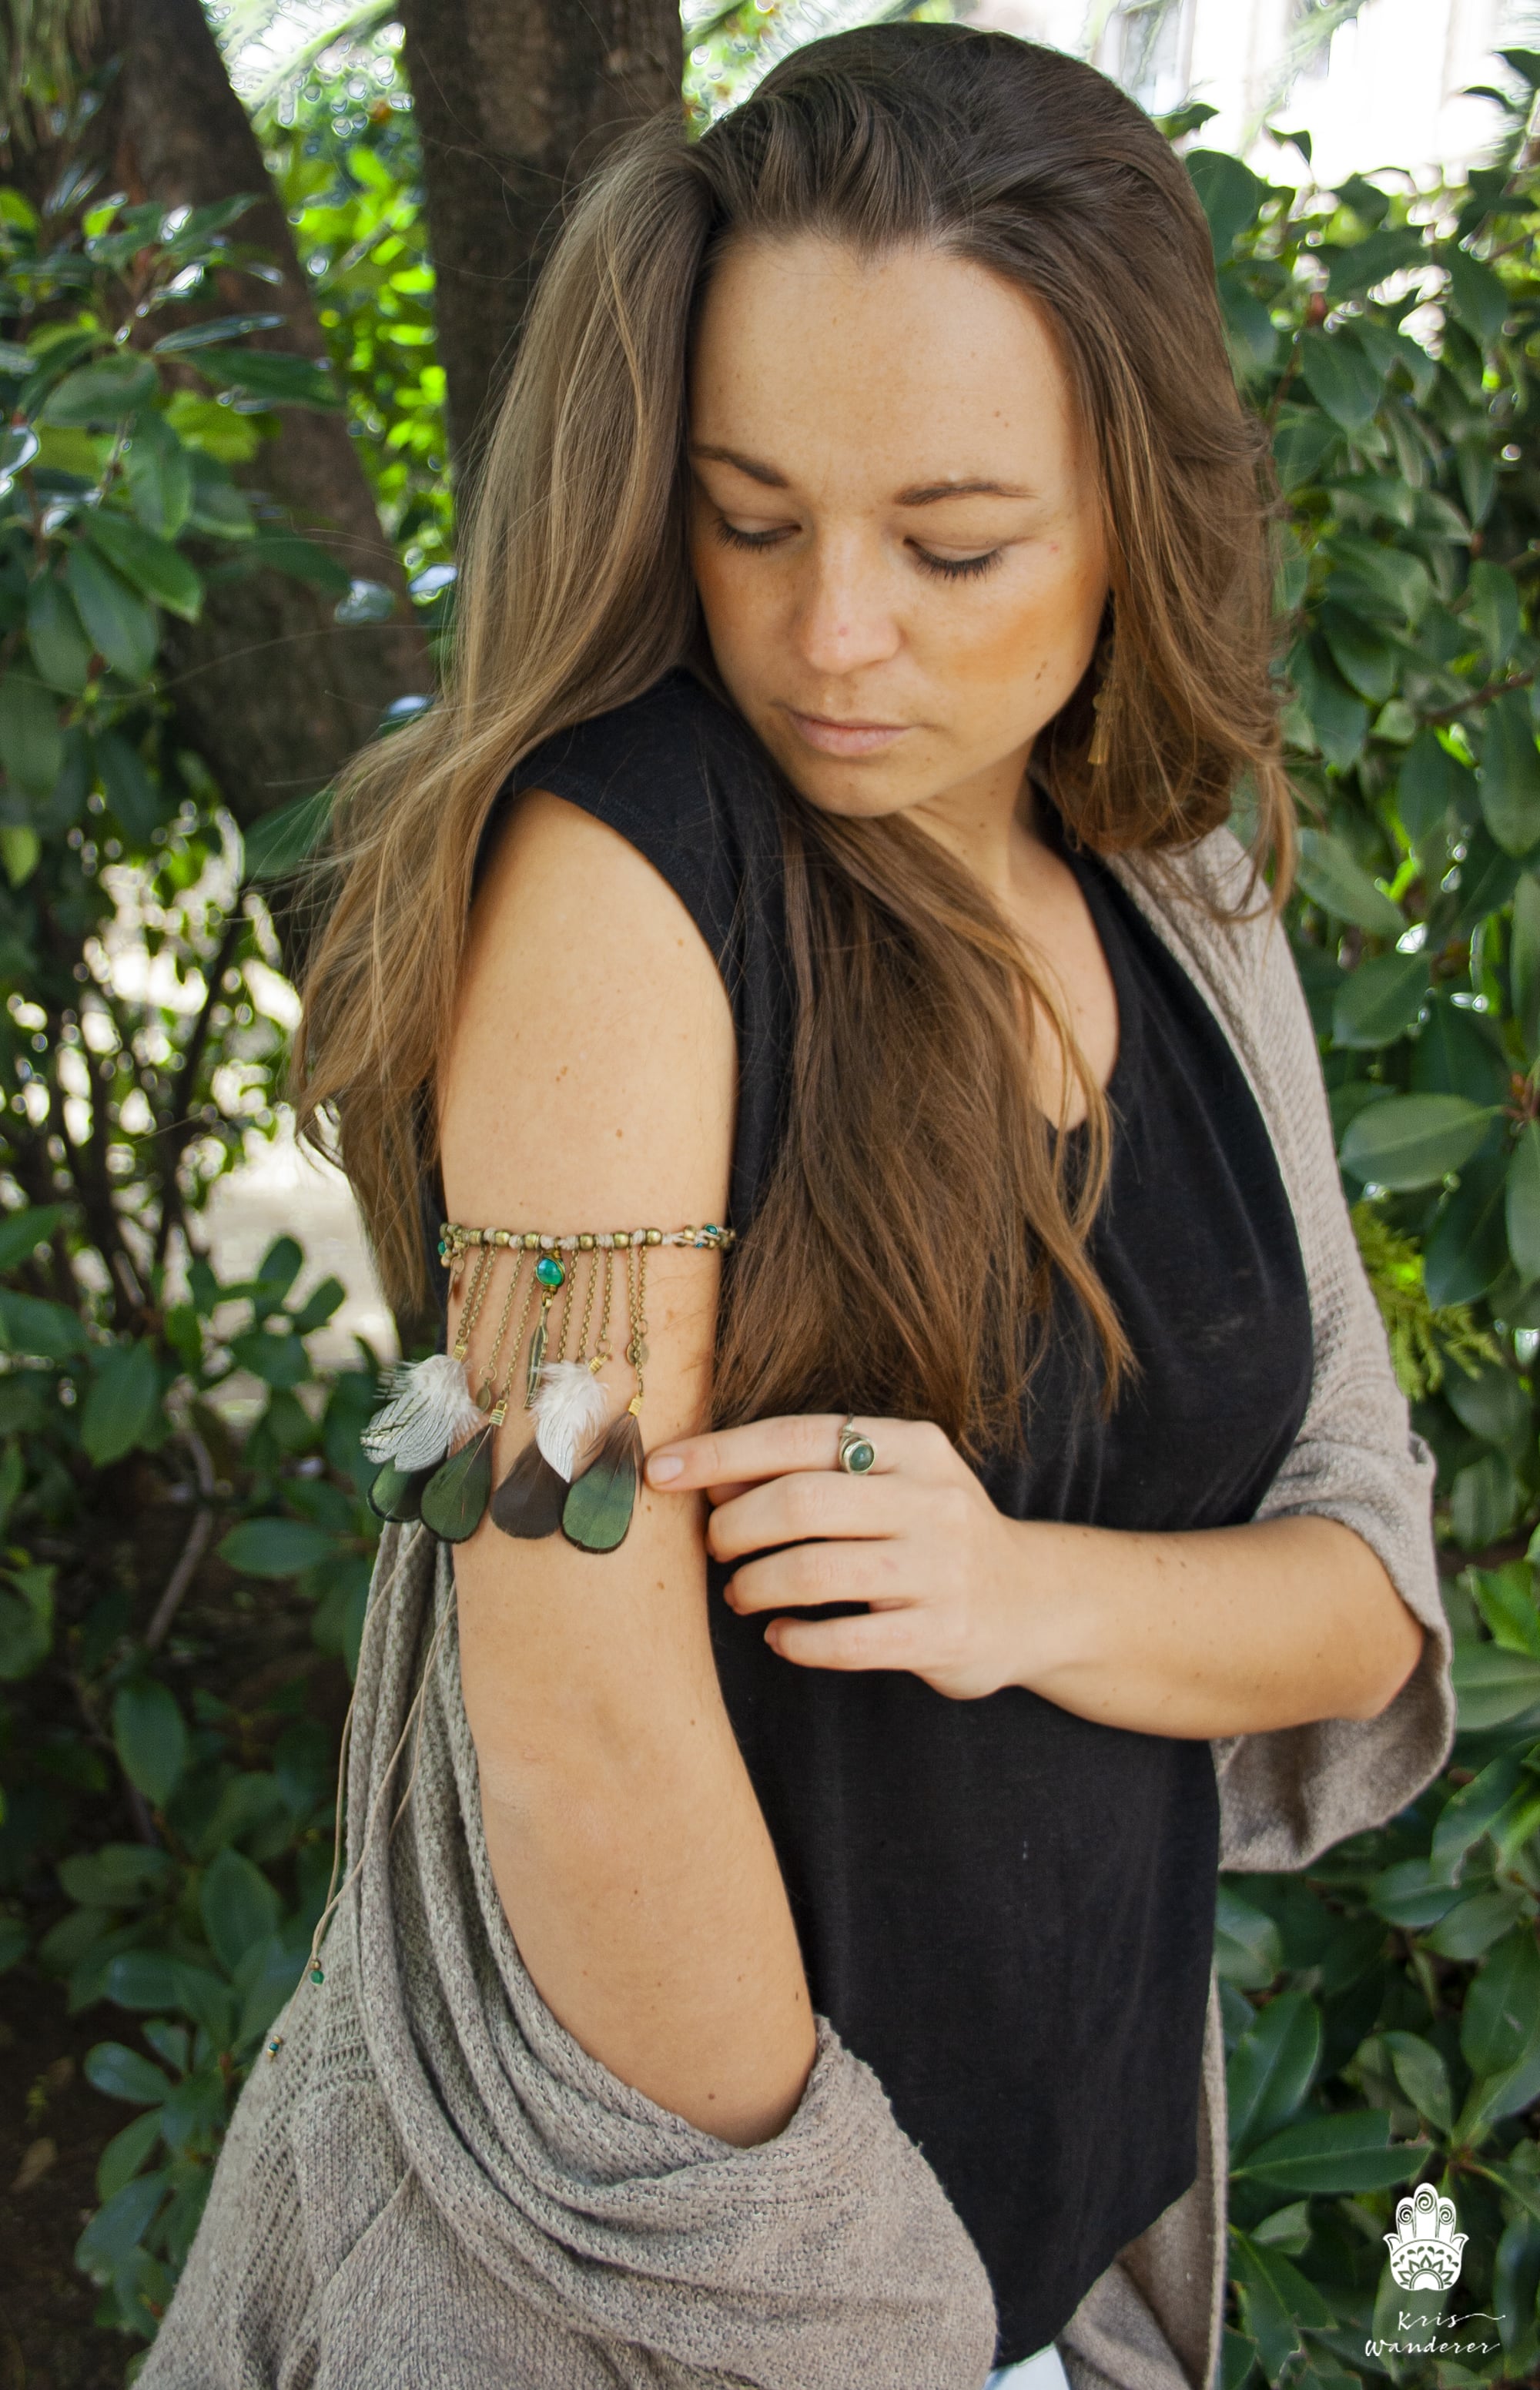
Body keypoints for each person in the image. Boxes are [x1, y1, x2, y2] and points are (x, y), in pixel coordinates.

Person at [142, 23, 1456, 2390]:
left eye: (953, 544)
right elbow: (548, 1649)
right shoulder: (614, 886)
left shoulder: (1179, 888)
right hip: (676, 2300)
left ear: (1135, 521)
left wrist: (1011, 1587)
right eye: (753, 520)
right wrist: (867, 2307)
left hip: (1070, 2268)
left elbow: (1364, 1596)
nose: (835, 634)